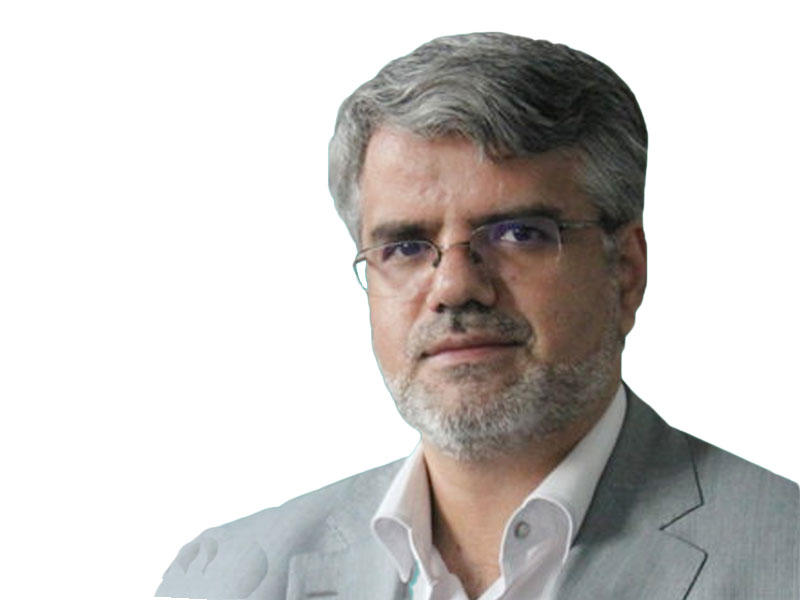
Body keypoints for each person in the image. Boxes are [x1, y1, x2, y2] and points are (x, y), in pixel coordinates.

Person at [155, 32, 799, 599]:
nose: (455, 287)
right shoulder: (227, 577)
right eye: (406, 247)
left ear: (625, 270)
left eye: (518, 234)